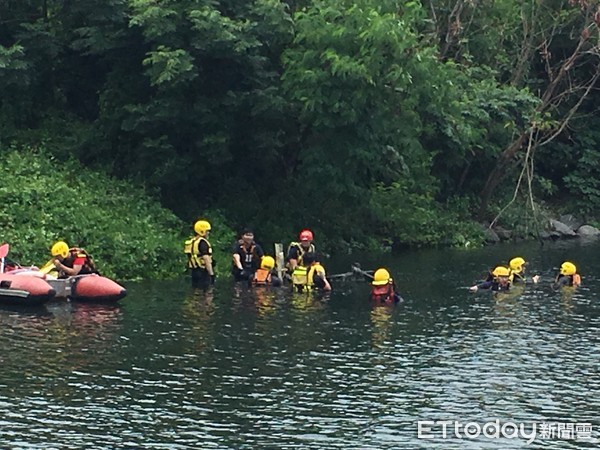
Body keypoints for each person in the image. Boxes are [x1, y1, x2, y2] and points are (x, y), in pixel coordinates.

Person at [184, 219, 215, 289]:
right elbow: (206, 258)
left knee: (196, 291)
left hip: (194, 272)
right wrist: (211, 274)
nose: (208, 233)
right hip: (203, 272)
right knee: (208, 292)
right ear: (202, 231)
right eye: (207, 231)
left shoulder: (192, 241)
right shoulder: (202, 242)